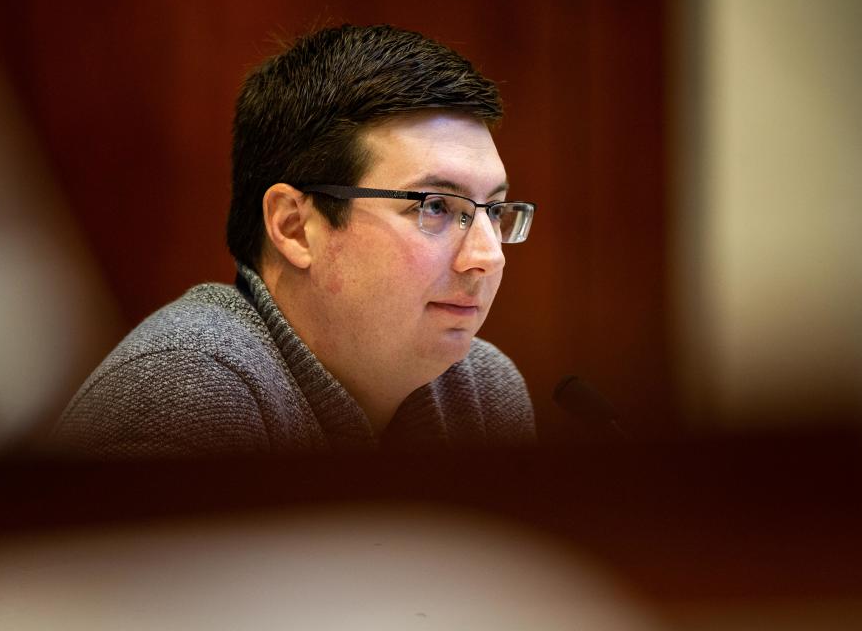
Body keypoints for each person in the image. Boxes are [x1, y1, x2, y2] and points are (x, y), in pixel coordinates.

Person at [51, 24, 537, 458]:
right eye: (435, 207)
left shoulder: (481, 395)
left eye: (492, 212)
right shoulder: (184, 393)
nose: (487, 256)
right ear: (293, 226)